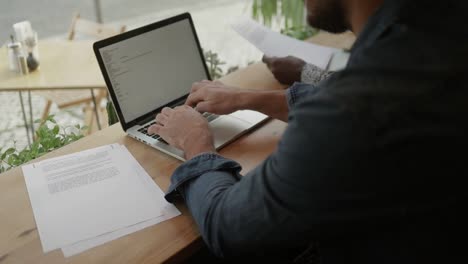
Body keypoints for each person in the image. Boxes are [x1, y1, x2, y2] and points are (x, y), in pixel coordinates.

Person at [148, 0, 468, 262]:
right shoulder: (433, 37)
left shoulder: (361, 104)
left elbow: (229, 229)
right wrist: (248, 98)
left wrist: (195, 142)